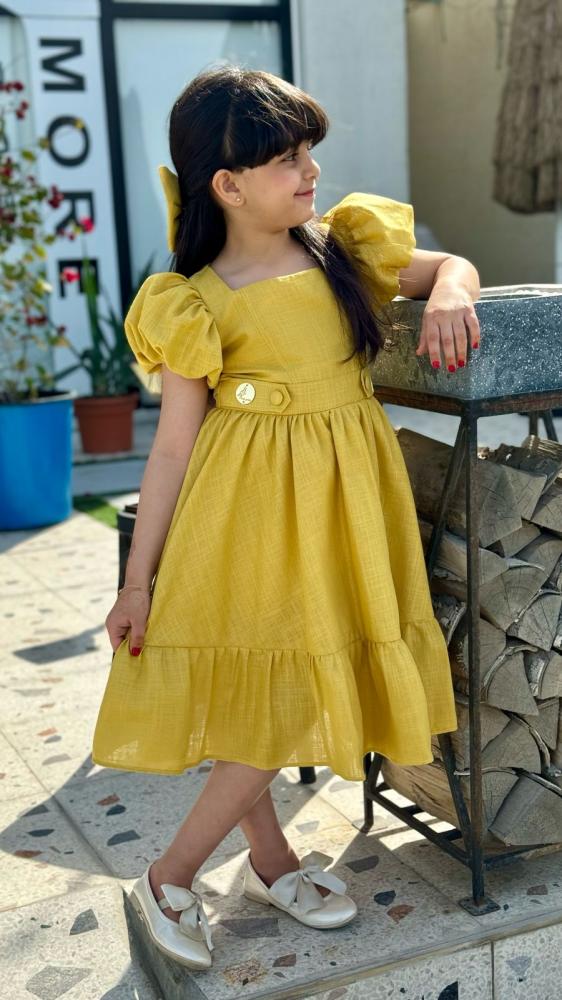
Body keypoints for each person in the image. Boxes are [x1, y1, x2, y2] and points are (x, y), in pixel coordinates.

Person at [91, 64, 481, 970]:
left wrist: (452, 293)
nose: (311, 171)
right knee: (271, 696)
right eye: (287, 159)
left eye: (309, 151)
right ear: (227, 186)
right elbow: (172, 450)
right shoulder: (193, 301)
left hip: (342, 515)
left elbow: (448, 266)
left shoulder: (343, 248)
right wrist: (138, 580)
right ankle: (169, 879)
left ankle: (270, 865)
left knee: (273, 693)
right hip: (243, 521)